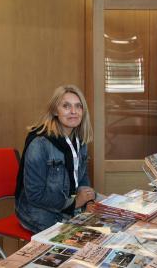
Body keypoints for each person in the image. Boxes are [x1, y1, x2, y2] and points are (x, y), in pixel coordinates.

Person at [15, 85, 96, 233]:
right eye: (66, 106)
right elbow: (35, 195)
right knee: (78, 237)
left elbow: (82, 175)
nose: (73, 111)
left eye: (78, 106)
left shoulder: (80, 139)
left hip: (71, 203)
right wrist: (75, 203)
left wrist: (88, 199)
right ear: (54, 111)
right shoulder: (39, 144)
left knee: (109, 217)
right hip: (38, 211)